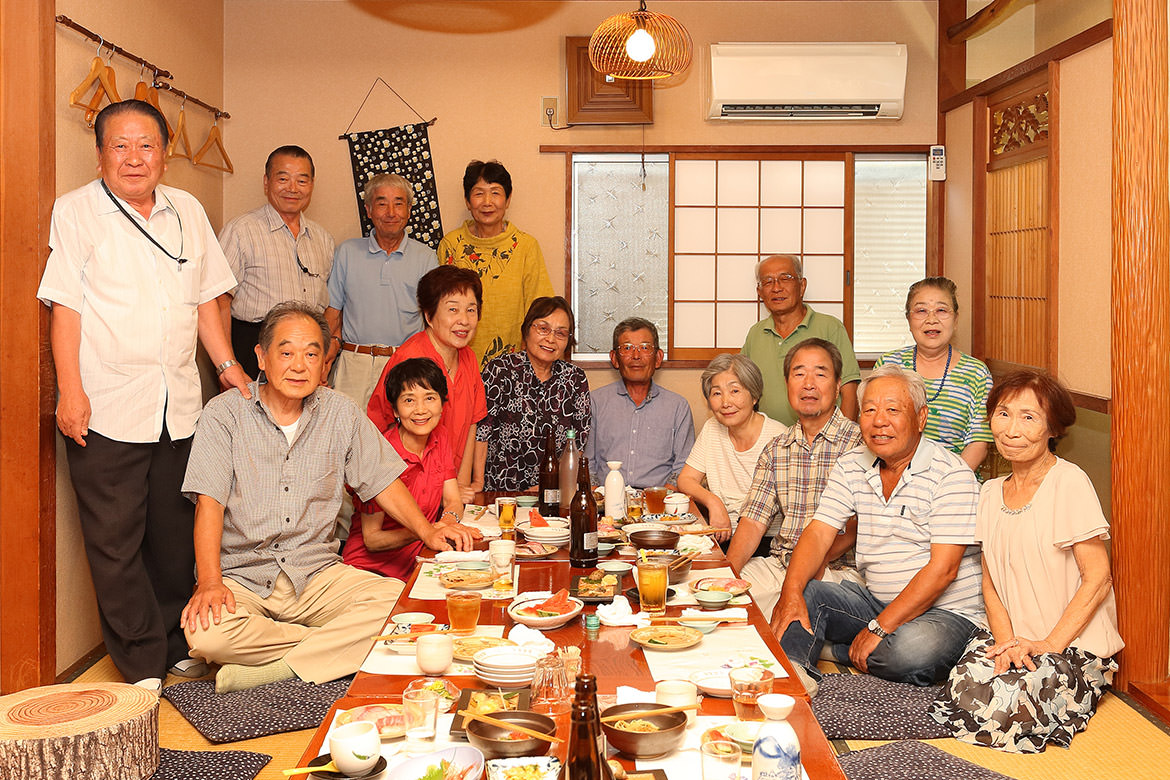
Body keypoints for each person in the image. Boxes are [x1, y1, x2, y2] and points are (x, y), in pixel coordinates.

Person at [37, 100, 250, 690]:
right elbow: (67, 307)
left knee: (171, 536)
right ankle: (140, 666)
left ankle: (178, 644)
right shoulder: (77, 211)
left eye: (147, 145)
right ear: (101, 152)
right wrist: (70, 391)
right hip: (107, 402)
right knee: (114, 542)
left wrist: (229, 367)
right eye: (120, 146)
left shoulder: (188, 209)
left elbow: (207, 299)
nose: (134, 157)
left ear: (165, 152)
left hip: (178, 403)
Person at [181, 303, 480, 694]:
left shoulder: (340, 412)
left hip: (316, 573)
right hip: (243, 575)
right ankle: (327, 647)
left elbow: (382, 481)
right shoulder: (224, 414)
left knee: (402, 605)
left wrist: (427, 532)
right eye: (286, 353)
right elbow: (209, 504)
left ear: (325, 362)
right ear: (261, 357)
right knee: (207, 637)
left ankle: (278, 667)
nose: (299, 366)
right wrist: (208, 582)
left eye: (311, 354)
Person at [930, 370, 1123, 752]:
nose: (1011, 429)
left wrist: (1047, 644)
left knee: (1009, 706)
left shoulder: (1069, 482)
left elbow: (1098, 578)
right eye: (1003, 414)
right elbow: (990, 581)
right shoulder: (988, 491)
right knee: (964, 684)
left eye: (1028, 417)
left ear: (1053, 427)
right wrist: (1006, 643)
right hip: (1014, 638)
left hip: (1071, 646)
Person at [774, 363, 984, 690]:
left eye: (892, 410)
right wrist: (790, 594)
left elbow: (943, 570)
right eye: (869, 410)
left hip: (946, 612)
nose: (879, 420)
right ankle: (794, 674)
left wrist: (879, 629)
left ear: (920, 417)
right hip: (875, 602)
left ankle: (841, 650)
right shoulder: (851, 464)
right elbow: (818, 532)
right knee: (805, 593)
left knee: (911, 651)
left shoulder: (951, 474)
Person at [725, 339, 863, 618]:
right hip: (780, 564)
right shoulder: (777, 448)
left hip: (836, 570)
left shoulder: (860, 444)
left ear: (837, 386)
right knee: (722, 602)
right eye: (799, 374)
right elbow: (753, 521)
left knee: (799, 608)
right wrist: (726, 575)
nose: (808, 384)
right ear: (787, 383)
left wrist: (807, 570)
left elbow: (858, 524)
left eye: (820, 374)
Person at [366, 266, 487, 499]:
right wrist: (442, 490)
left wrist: (459, 486)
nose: (464, 320)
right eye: (453, 309)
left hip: (449, 490)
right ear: (429, 316)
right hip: (408, 491)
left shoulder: (468, 357)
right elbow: (388, 434)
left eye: (471, 310)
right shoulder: (411, 359)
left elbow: (472, 423)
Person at [218, 145, 334, 377]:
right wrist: (227, 364)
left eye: (302, 181)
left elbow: (329, 306)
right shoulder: (241, 230)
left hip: (308, 353)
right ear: (266, 182)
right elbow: (219, 301)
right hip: (253, 347)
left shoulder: (323, 239)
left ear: (311, 185)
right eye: (283, 178)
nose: (292, 188)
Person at [324, 174, 437, 409]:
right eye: (382, 203)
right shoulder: (346, 252)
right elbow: (333, 313)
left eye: (398, 203)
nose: (391, 212)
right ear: (368, 209)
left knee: (399, 439)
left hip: (406, 363)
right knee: (347, 435)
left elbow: (434, 322)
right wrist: (319, 359)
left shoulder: (426, 257)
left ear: (408, 210)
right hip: (353, 362)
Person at [344, 358, 463, 581]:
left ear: (442, 404)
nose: (421, 410)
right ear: (395, 410)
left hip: (420, 562)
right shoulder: (379, 455)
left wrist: (445, 523)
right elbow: (372, 539)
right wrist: (427, 531)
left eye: (429, 398)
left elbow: (453, 501)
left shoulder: (440, 437)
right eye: (409, 400)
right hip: (370, 572)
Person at [437, 159, 554, 365]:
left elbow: (541, 310)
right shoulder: (451, 245)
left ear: (508, 200)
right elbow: (439, 308)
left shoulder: (526, 247)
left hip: (514, 365)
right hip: (458, 362)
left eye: (495, 192)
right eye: (479, 193)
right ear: (467, 200)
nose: (487, 202)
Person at [875, 277, 992, 472]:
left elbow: (979, 444)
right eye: (921, 311)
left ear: (955, 320)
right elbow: (875, 429)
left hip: (955, 480)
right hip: (893, 477)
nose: (931, 319)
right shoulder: (889, 365)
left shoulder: (977, 374)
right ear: (909, 319)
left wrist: (945, 484)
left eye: (941, 310)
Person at [475, 297, 591, 491]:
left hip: (554, 492)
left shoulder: (575, 379)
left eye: (561, 333)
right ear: (527, 329)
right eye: (543, 329)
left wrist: (551, 485)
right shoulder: (500, 370)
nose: (551, 339)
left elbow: (577, 443)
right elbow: (481, 433)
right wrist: (478, 483)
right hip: (501, 490)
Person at [677, 354, 786, 542]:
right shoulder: (712, 428)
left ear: (754, 396)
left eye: (735, 391)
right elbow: (686, 479)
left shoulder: (778, 437)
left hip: (766, 540)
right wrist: (714, 502)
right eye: (717, 393)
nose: (726, 402)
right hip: (720, 534)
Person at [741, 255, 861, 426]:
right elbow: (742, 387)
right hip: (768, 440)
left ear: (802, 285)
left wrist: (845, 440)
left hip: (825, 440)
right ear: (759, 292)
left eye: (785, 278)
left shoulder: (829, 327)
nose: (776, 288)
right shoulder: (755, 333)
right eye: (767, 282)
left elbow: (849, 388)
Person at [585, 317, 695, 489]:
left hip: (658, 504)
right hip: (604, 503)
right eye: (627, 348)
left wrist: (658, 502)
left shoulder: (678, 407)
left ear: (658, 358)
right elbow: (587, 463)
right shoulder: (595, 402)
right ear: (614, 358)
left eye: (645, 348)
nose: (636, 356)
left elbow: (682, 467)